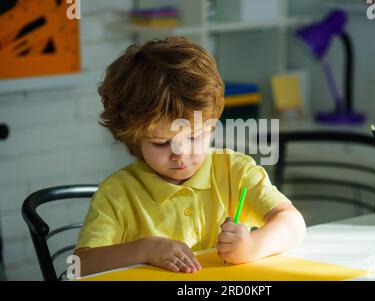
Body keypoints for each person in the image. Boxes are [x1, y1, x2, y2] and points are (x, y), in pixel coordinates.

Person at [74, 36, 306, 277]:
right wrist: (145, 249)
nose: (181, 154)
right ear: (133, 139)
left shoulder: (234, 170)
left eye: (195, 137)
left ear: (212, 126)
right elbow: (81, 265)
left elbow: (292, 223)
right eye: (161, 143)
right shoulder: (117, 194)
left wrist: (252, 246)